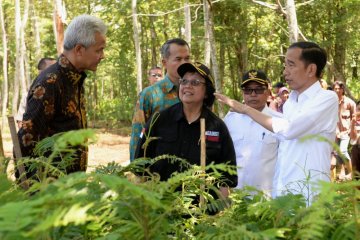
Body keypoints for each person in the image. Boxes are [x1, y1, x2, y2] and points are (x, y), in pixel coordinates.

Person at [215, 41, 338, 204]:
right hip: (282, 196)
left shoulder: (326, 98)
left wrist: (245, 109)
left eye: (291, 65)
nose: (285, 72)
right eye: (285, 65)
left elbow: (289, 130)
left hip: (309, 197)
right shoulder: (291, 103)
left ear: (311, 69)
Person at [17, 14, 107, 175]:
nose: (103, 56)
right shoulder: (50, 83)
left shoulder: (75, 79)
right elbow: (26, 142)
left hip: (71, 188)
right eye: (99, 50)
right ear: (79, 49)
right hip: (50, 190)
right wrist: (33, 192)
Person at [135, 62, 237, 199]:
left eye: (195, 82)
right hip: (160, 209)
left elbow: (227, 179)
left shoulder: (217, 127)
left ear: (207, 92)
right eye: (184, 81)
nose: (187, 86)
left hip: (201, 214)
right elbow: (140, 166)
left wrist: (220, 215)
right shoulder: (159, 119)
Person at [129, 38, 191, 161]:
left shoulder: (196, 92)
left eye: (187, 58)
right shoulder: (150, 95)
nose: (184, 63)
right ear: (164, 62)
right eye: (178, 59)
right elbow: (137, 137)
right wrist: (137, 170)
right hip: (158, 172)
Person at [224, 70, 282, 197]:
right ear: (242, 93)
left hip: (267, 197)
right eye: (248, 90)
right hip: (236, 195)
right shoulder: (230, 119)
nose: (253, 94)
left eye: (259, 90)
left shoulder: (278, 121)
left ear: (268, 91)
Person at [15, 57, 57, 127]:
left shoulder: (61, 93)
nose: (56, 72)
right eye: (52, 69)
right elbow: (20, 123)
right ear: (42, 72)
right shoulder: (27, 96)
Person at [332, 81, 356, 180]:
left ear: (343, 90)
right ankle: (342, 173)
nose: (337, 90)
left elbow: (354, 118)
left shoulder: (350, 102)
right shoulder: (331, 103)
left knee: (343, 150)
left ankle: (351, 173)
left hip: (346, 132)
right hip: (336, 132)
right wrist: (336, 131)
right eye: (335, 88)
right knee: (337, 153)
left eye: (339, 88)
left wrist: (351, 131)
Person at [350, 101, 360, 180]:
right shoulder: (354, 121)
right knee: (356, 174)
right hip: (356, 148)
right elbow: (353, 137)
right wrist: (353, 123)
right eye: (358, 109)